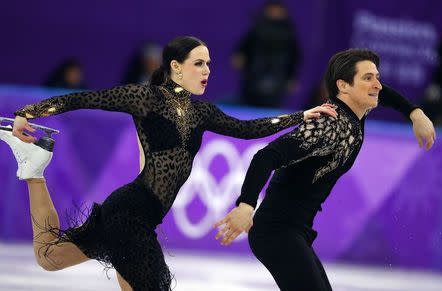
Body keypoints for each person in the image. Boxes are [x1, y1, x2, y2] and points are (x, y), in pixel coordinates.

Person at [0, 36, 338, 291]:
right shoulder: (146, 98)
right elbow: (85, 98)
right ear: (175, 66)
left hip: (137, 214)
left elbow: (248, 129)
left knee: (49, 257)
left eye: (209, 64)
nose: (207, 70)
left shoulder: (202, 112)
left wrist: (301, 115)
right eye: (198, 63)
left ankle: (34, 169)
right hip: (131, 213)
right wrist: (26, 113)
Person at [214, 49, 436, 291]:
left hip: (295, 231)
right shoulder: (327, 124)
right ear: (343, 86)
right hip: (277, 232)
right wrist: (246, 205)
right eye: (368, 78)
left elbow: (386, 94)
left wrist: (416, 113)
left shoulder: (355, 109)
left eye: (377, 77)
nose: (377, 85)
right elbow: (265, 157)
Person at [232, 0, 301, 108]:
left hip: (278, 77)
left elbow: (294, 57)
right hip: (254, 75)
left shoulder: (289, 34)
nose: (275, 12)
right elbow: (245, 46)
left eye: (277, 10)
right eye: (272, 9)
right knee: (249, 104)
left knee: (272, 105)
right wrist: (240, 56)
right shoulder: (257, 29)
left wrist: (291, 77)